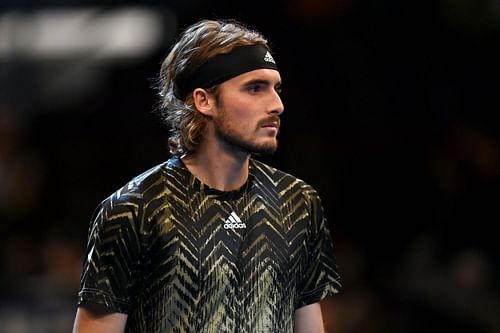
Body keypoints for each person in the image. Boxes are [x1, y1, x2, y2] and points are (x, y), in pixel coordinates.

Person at [72, 18, 342, 333]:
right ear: (204, 100)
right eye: (255, 88)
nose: (277, 105)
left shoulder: (298, 202)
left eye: (276, 89)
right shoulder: (134, 209)